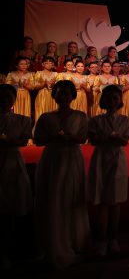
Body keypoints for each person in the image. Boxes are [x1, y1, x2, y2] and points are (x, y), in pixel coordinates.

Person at [33, 80, 90, 268]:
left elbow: (83, 137)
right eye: (59, 93)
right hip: (51, 159)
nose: (63, 97)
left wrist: (69, 137)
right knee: (52, 196)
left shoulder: (80, 116)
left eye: (66, 93)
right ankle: (52, 240)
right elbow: (38, 140)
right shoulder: (45, 117)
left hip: (72, 158)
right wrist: (53, 137)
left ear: (72, 96)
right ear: (54, 95)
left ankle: (73, 240)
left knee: (70, 195)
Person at [88, 85, 129, 256]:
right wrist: (109, 138)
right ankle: (101, 240)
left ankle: (113, 238)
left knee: (115, 201)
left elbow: (124, 142)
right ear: (103, 100)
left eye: (115, 98)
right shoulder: (95, 120)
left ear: (120, 101)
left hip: (117, 159)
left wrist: (115, 138)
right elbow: (93, 140)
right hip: (100, 158)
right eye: (109, 98)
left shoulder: (125, 120)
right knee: (102, 200)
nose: (112, 102)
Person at [0, 84, 33, 270]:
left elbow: (23, 140)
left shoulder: (22, 120)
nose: (5, 100)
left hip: (13, 161)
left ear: (14, 99)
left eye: (8, 97)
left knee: (13, 201)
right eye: (2, 96)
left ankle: (11, 247)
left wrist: (10, 141)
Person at [34, 56, 59, 122]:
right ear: (43, 64)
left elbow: (58, 86)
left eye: (51, 63)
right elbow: (35, 87)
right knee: (42, 112)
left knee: (52, 112)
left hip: (53, 95)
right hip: (42, 95)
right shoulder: (39, 73)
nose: (49, 64)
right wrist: (44, 84)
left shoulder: (56, 74)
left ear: (53, 64)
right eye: (46, 63)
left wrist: (53, 84)